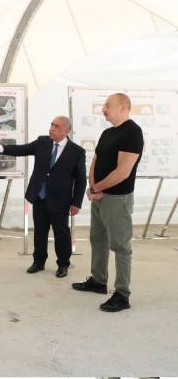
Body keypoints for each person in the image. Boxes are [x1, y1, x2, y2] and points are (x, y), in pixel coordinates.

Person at [0, 116, 86, 277]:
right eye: (51, 124)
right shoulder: (42, 142)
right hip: (39, 197)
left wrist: (77, 203)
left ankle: (63, 264)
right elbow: (21, 149)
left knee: (61, 233)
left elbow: (81, 180)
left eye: (56, 126)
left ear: (66, 131)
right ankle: (38, 261)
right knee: (40, 231)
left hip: (60, 200)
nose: (52, 128)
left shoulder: (77, 152)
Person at [72, 93, 144, 312]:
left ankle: (122, 295)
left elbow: (123, 172)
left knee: (120, 246)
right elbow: (95, 161)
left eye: (107, 105)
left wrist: (97, 188)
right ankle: (98, 281)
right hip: (100, 196)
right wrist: (92, 186)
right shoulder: (107, 132)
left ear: (123, 107)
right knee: (98, 239)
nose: (103, 109)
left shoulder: (132, 132)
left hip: (117, 199)